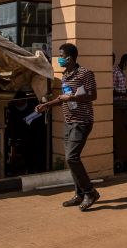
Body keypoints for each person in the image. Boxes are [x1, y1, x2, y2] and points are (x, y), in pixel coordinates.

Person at [36, 42, 99, 211]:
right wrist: (47, 105)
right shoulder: (65, 75)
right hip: (68, 122)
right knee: (71, 160)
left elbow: (93, 95)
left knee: (72, 157)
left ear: (69, 57)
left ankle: (90, 192)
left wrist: (71, 99)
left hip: (82, 121)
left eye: (61, 56)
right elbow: (63, 97)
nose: (59, 59)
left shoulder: (85, 73)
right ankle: (79, 194)